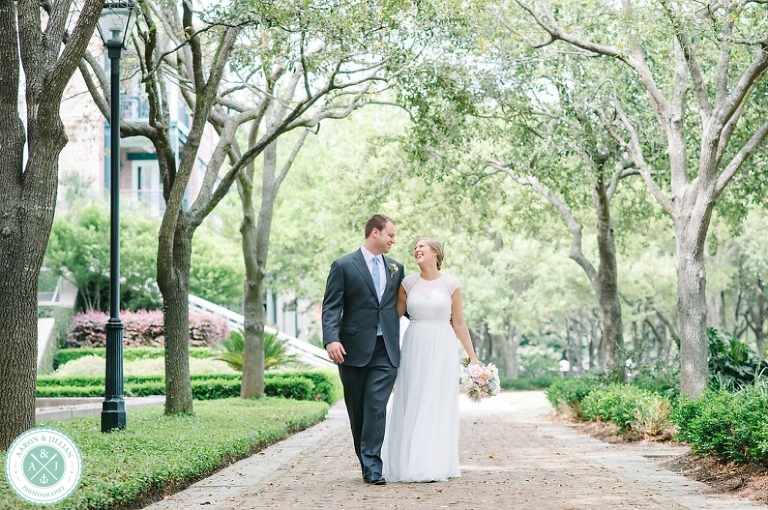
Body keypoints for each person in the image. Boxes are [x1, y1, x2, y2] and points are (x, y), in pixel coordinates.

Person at [382, 237, 479, 483]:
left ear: (436, 252)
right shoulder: (407, 283)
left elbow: (458, 323)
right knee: (413, 399)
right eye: (414, 247)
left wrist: (473, 359)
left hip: (442, 346)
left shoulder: (451, 285)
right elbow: (392, 316)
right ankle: (409, 463)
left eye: (421, 246)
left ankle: (433, 463)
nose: (416, 250)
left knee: (436, 401)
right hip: (415, 344)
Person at [322, 214, 405, 486]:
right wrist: (331, 339)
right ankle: (366, 458)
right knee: (357, 410)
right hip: (351, 350)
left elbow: (401, 307)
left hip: (386, 349)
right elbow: (332, 306)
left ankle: (372, 466)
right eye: (390, 235)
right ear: (375, 233)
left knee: (376, 405)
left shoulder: (396, 268)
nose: (394, 240)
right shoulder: (344, 265)